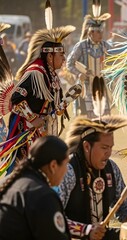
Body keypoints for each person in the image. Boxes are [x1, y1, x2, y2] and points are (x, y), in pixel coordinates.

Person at [1, 1, 75, 174]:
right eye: (61, 54)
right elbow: (16, 98)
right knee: (25, 168)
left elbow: (53, 106)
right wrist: (33, 118)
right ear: (49, 56)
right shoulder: (36, 72)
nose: (64, 58)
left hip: (41, 130)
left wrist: (67, 101)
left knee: (42, 168)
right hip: (25, 130)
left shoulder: (52, 75)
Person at [58, 115, 127, 240]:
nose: (109, 153)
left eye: (111, 147)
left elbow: (126, 205)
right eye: (104, 148)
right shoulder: (68, 170)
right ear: (86, 147)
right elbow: (53, 219)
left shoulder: (111, 168)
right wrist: (85, 230)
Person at [0, 136, 71, 239]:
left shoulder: (8, 182)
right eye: (66, 164)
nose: (66, 171)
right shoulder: (43, 196)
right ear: (53, 166)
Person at [66, 0, 112, 118]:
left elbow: (114, 61)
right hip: (86, 90)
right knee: (88, 123)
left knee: (105, 121)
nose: (101, 34)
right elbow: (69, 63)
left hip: (102, 88)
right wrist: (78, 74)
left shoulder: (106, 46)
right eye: (98, 32)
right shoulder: (81, 46)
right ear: (90, 33)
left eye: (102, 31)